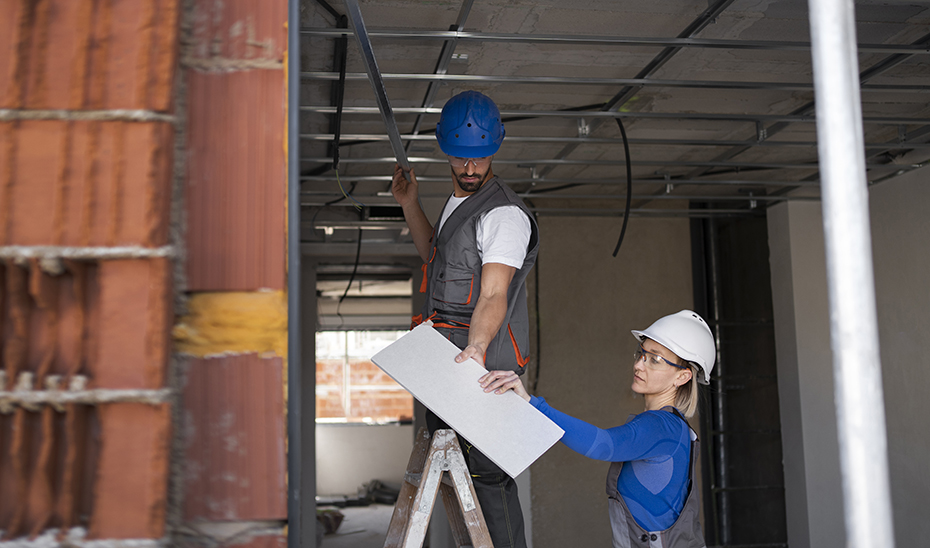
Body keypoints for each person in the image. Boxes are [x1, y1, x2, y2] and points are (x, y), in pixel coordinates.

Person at [391, 90, 539, 548]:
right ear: (444, 149)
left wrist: (476, 346)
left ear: (496, 146)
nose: (470, 168)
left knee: (488, 482)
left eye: (479, 158)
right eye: (460, 158)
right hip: (447, 364)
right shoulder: (459, 204)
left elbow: (494, 292)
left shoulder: (504, 215)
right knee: (460, 479)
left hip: (482, 368)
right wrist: (409, 204)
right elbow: (437, 259)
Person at [479, 310, 716, 548]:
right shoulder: (674, 428)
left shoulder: (661, 427)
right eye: (641, 353)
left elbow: (604, 445)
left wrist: (534, 404)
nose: (638, 365)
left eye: (655, 359)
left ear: (683, 377)